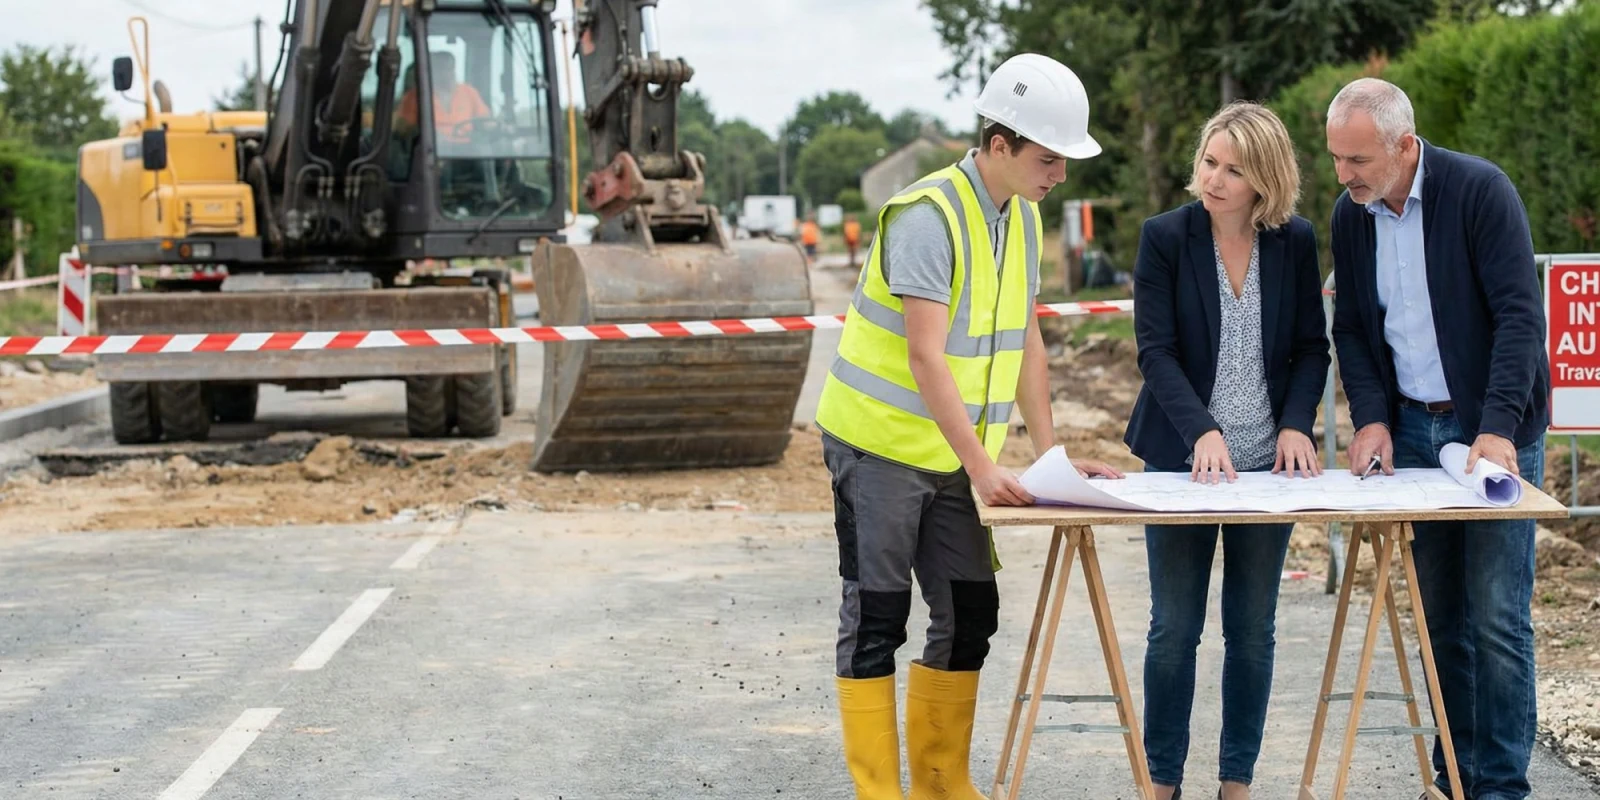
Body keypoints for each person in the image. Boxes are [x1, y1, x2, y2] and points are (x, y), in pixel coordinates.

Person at [814, 52, 1124, 800]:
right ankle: (880, 791)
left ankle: (941, 787)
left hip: (954, 457)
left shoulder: (1022, 217)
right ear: (998, 146)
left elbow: (1025, 340)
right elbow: (925, 357)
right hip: (880, 447)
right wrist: (984, 469)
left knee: (969, 612)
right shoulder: (927, 217)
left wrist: (1050, 459)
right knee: (878, 616)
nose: (1059, 174)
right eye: (1049, 159)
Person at [1324, 77, 1549, 800]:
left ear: (1405, 145)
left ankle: (1503, 787)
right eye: (1336, 158)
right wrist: (1372, 419)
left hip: (1492, 435)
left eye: (1357, 160)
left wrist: (1496, 430)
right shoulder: (1350, 215)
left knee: (1497, 619)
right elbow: (1354, 329)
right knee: (1440, 619)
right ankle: (1457, 779)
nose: (1344, 175)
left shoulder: (1483, 192)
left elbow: (1519, 317)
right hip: (1414, 435)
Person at [1123, 101, 1331, 800]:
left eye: (1234, 168)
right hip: (1183, 464)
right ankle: (1162, 782)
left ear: (1264, 180)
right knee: (1172, 630)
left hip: (1268, 468)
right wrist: (1201, 433)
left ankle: (1236, 782)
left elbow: (1310, 348)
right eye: (1210, 161)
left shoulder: (1294, 242)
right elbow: (1155, 352)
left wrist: (1298, 425)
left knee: (1252, 631)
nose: (1214, 179)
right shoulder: (1165, 238)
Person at [397, 51, 491, 144]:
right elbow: (404, 129)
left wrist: (501, 127)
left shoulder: (469, 92)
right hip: (430, 151)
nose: (448, 73)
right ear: (431, 71)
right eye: (442, 69)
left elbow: (485, 121)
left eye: (450, 68)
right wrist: (426, 135)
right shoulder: (415, 96)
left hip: (466, 151)